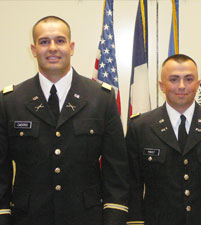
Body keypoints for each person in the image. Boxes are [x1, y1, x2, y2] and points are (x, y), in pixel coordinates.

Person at [0, 16, 129, 225]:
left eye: (60, 41)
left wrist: (114, 219)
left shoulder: (100, 98)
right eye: (44, 42)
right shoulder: (11, 101)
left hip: (86, 218)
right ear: (33, 50)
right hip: (28, 219)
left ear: (71, 47)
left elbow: (117, 172)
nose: (52, 48)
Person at [126, 54, 201, 225]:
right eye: (173, 79)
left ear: (198, 84)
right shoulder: (141, 127)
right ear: (161, 86)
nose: (182, 86)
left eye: (189, 79)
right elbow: (132, 186)